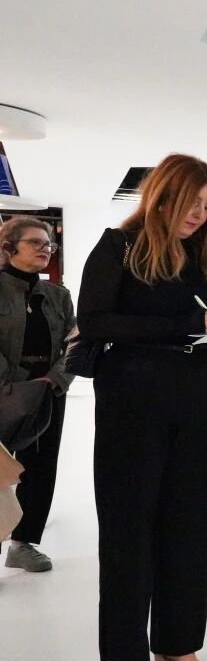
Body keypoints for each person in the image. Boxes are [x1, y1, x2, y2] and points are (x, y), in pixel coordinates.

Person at [78, 153, 207, 661]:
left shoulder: (204, 255)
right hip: (133, 403)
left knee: (188, 525)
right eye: (192, 203)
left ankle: (178, 641)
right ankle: (128, 655)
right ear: (162, 195)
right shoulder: (119, 246)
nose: (198, 215)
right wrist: (180, 325)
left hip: (195, 400)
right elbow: (95, 322)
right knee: (130, 526)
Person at [0, 216, 75, 572]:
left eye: (49, 244)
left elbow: (76, 342)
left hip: (46, 392)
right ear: (9, 247)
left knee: (40, 468)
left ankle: (23, 543)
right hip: (4, 391)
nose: (46, 249)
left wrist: (54, 379)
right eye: (35, 242)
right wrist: (12, 382)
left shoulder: (58, 295)